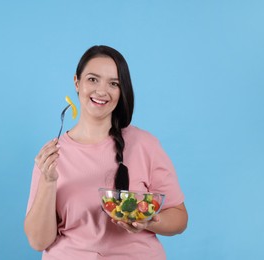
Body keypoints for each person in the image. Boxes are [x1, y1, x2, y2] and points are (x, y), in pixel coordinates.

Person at [24, 45, 188, 260]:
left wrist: (151, 222)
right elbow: (38, 241)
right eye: (93, 79)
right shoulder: (51, 156)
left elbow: (179, 217)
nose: (102, 91)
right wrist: (48, 181)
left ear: (122, 91)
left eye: (114, 84)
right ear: (77, 82)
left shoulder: (144, 144)